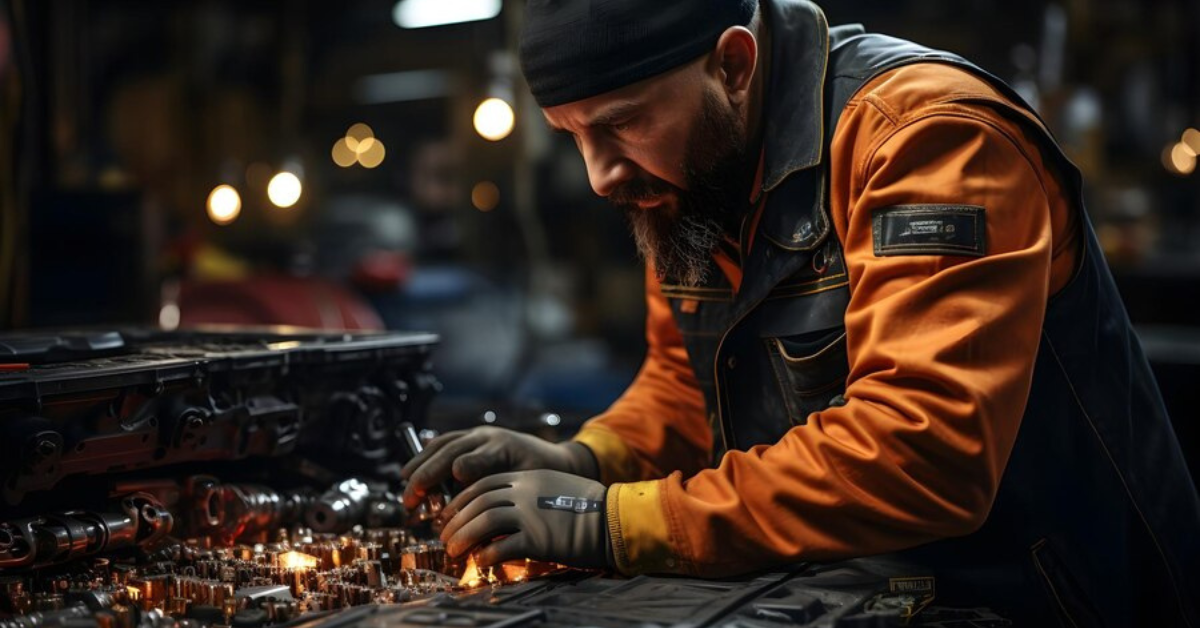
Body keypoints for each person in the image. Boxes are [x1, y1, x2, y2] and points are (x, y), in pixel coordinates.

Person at [402, 0, 1200, 624]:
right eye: (571, 135)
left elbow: (923, 455)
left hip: (1048, 600)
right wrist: (582, 463)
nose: (600, 174)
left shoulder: (927, 139)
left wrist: (611, 522)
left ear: (734, 64)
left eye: (620, 123)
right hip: (857, 590)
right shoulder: (696, 177)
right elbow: (688, 389)